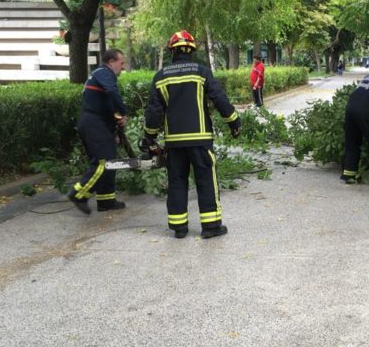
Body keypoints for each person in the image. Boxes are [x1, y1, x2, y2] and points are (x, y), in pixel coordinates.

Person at [143, 31, 241, 239]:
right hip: (200, 140)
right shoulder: (201, 72)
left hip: (174, 143)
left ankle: (179, 227)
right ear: (191, 50)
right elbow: (219, 97)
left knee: (177, 181)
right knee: (205, 179)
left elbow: (154, 112)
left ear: (172, 51)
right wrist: (233, 121)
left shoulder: (161, 77)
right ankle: (211, 227)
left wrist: (149, 136)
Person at [68, 48, 128, 214]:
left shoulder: (102, 75)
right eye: (121, 63)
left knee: (111, 161)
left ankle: (106, 200)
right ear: (111, 62)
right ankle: (78, 194)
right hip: (94, 125)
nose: (123, 67)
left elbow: (106, 102)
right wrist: (123, 111)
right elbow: (112, 92)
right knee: (104, 162)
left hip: (98, 124)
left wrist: (116, 118)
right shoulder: (103, 72)